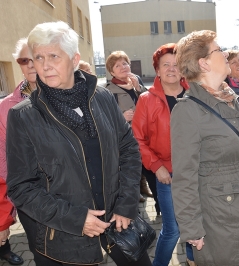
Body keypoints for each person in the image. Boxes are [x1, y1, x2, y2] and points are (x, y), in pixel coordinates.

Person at [6, 21, 152, 266]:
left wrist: (127, 203)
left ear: (74, 59)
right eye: (38, 57)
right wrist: (75, 219)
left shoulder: (103, 97)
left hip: (119, 224)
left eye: (54, 55)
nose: (45, 65)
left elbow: (128, 149)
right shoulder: (23, 116)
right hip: (63, 240)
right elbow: (21, 188)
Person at [171, 30, 239, 266]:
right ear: (204, 63)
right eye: (219, 50)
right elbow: (184, 176)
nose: (225, 53)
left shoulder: (230, 97)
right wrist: (192, 228)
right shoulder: (187, 110)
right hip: (220, 219)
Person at [132, 43, 194, 266]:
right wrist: (156, 165)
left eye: (176, 65)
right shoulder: (146, 100)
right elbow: (136, 139)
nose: (171, 69)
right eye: (165, 65)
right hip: (168, 174)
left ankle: (194, 260)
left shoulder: (196, 94)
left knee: (196, 225)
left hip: (198, 172)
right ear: (157, 70)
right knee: (173, 229)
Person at [0, 37, 36, 266]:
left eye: (36, 58)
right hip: (28, 197)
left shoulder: (68, 98)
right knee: (41, 250)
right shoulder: (6, 107)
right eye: (25, 60)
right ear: (18, 64)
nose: (31, 64)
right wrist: (4, 217)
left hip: (71, 195)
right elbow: (3, 162)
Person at [105, 51, 153, 203]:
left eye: (124, 63)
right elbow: (106, 117)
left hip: (144, 130)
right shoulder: (108, 90)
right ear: (112, 71)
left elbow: (151, 103)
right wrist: (122, 117)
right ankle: (134, 191)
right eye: (117, 66)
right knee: (130, 163)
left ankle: (143, 186)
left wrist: (139, 88)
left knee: (143, 160)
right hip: (125, 134)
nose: (122, 67)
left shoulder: (136, 81)